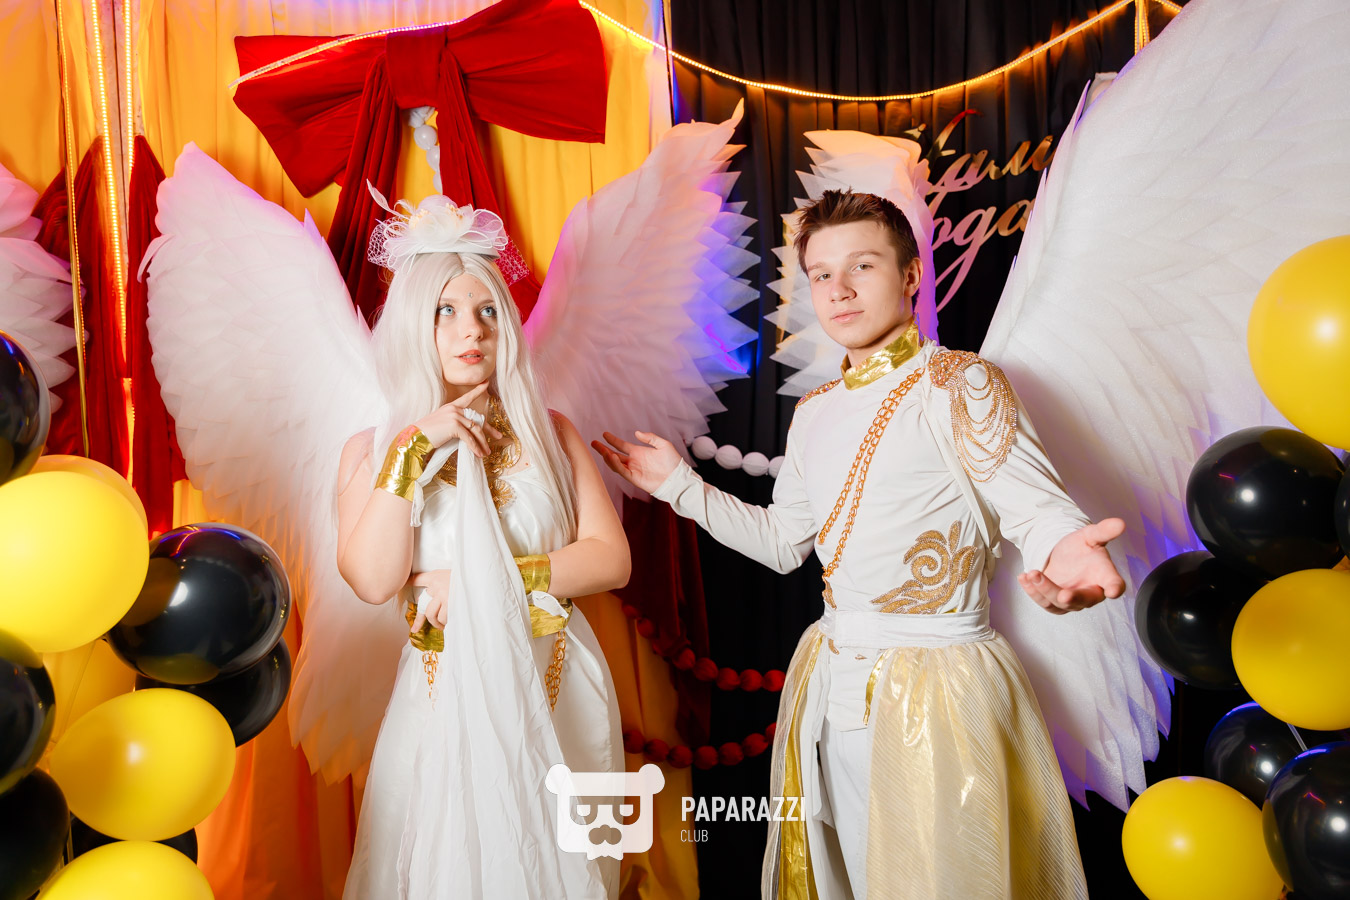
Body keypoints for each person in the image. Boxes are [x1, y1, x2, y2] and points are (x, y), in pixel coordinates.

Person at [595, 189, 1125, 899]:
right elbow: (783, 543)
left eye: (862, 266)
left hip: (938, 687)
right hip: (831, 679)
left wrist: (1069, 555)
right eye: (821, 274)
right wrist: (678, 487)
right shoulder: (815, 411)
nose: (839, 289)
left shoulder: (962, 383)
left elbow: (1038, 510)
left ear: (910, 275)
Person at [337, 196, 631, 898]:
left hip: (559, 684)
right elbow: (373, 580)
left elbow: (610, 558)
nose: (472, 329)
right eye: (446, 311)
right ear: (415, 324)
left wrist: (481, 581)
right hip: (443, 697)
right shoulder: (374, 449)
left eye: (488, 311)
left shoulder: (550, 433)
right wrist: (412, 451)